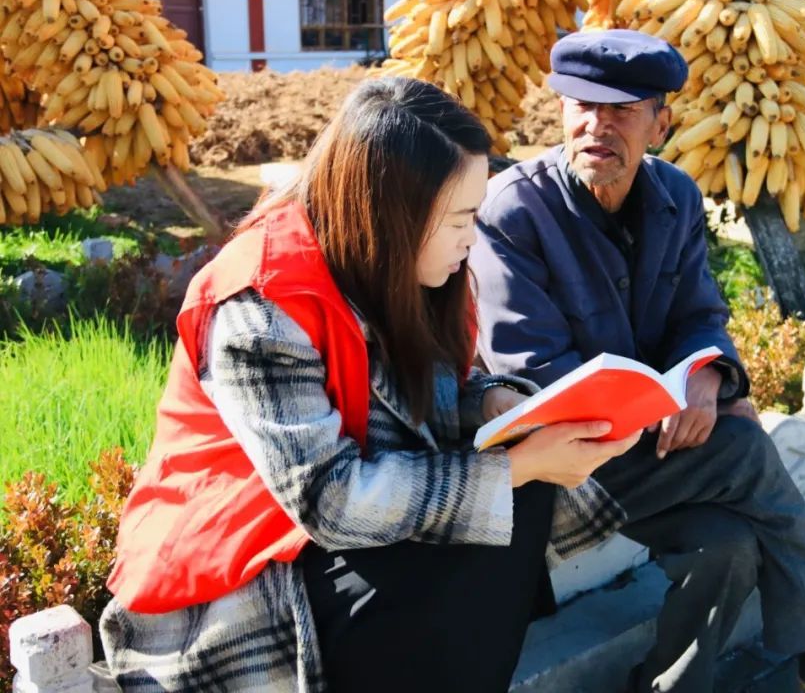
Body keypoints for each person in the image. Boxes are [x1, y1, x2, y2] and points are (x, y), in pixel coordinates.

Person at [98, 76, 641, 693]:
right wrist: (514, 467)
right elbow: (329, 500)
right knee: (471, 540)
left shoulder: (390, 263)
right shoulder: (261, 305)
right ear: (394, 214)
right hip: (247, 557)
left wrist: (490, 402)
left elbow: (412, 394)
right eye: (461, 218)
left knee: (518, 506)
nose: (474, 237)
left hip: (338, 515)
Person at [470, 29, 805, 693]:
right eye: (581, 106)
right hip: (563, 465)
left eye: (622, 110)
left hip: (655, 457)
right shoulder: (514, 212)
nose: (597, 125)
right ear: (561, 110)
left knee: (725, 547)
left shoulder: (675, 197)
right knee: (741, 446)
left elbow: (699, 315)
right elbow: (533, 372)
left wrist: (706, 375)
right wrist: (667, 405)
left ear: (661, 122)